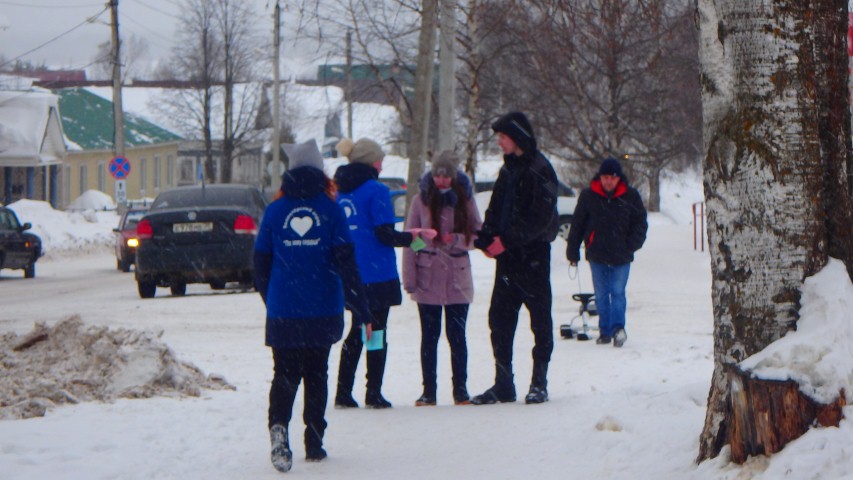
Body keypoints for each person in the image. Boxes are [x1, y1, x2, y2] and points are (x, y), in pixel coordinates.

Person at [253, 139, 374, 473]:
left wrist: (273, 297)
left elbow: (260, 263)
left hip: (285, 310)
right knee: (317, 372)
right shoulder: (330, 209)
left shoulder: (275, 211)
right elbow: (347, 263)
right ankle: (314, 441)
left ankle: (279, 431)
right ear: (321, 172)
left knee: (285, 372)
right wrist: (361, 307)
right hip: (323, 307)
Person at [333, 137, 433, 409]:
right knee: (376, 331)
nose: (382, 163)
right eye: (380, 159)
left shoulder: (339, 190)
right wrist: (412, 238)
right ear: (372, 162)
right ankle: (373, 390)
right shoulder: (376, 190)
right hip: (376, 272)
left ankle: (343, 391)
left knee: (356, 330)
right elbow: (384, 233)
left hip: (349, 271)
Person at [471, 111, 559, 406]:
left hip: (533, 258)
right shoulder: (507, 170)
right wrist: (486, 236)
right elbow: (496, 208)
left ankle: (539, 382)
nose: (499, 142)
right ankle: (503, 383)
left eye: (503, 137)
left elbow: (540, 219)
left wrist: (505, 241)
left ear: (517, 137)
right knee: (500, 319)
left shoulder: (541, 169)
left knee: (540, 322)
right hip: (508, 262)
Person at [402, 151, 483, 407]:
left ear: (453, 176)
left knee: (457, 336)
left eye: (446, 175)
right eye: (437, 175)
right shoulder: (420, 201)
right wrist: (410, 277)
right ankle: (429, 391)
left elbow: (478, 234)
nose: (441, 180)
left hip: (458, 277)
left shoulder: (466, 200)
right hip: (428, 278)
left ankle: (460, 390)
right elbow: (410, 240)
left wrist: (458, 239)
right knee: (430, 336)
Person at [566, 157, 647, 348]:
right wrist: (573, 249)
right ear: (600, 177)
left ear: (619, 178)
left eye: (612, 177)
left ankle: (618, 329)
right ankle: (604, 330)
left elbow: (640, 224)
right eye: (605, 177)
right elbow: (578, 224)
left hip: (621, 255)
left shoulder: (630, 196)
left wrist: (631, 245)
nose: (609, 181)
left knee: (618, 292)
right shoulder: (588, 196)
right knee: (601, 294)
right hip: (597, 254)